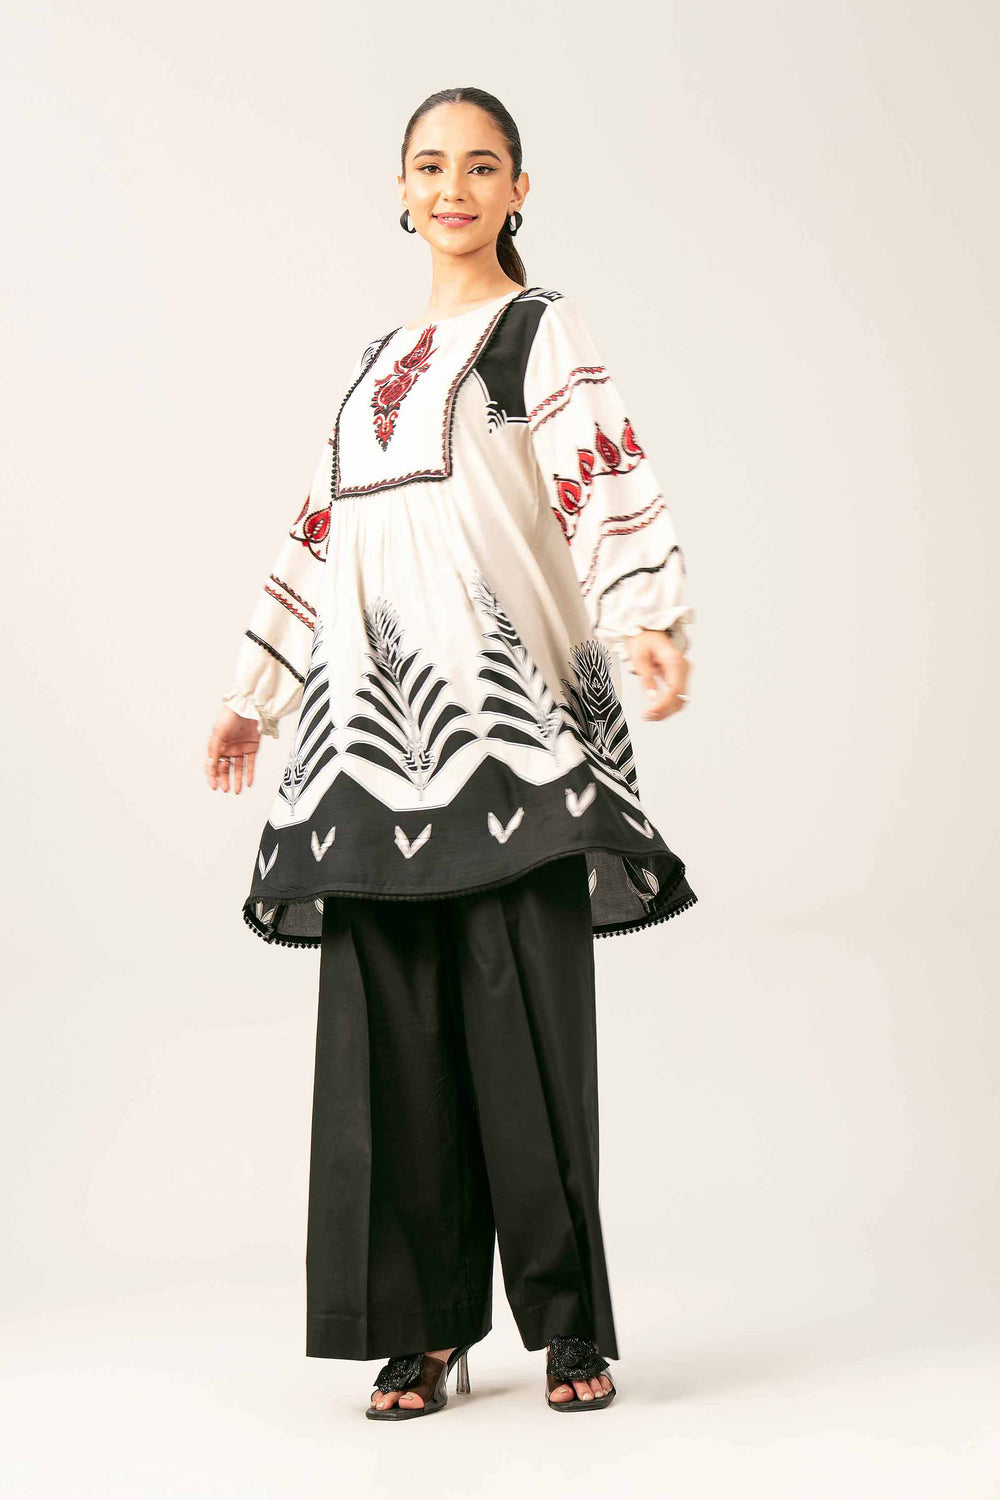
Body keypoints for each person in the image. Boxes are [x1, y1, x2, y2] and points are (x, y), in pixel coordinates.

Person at [204, 86, 698, 1419]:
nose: (454, 188)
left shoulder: (538, 331)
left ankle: (568, 1326)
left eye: (482, 167)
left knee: (525, 1031)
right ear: (403, 189)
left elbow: (601, 475)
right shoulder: (374, 366)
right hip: (366, 748)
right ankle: (418, 1329)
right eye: (431, 166)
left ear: (518, 190)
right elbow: (319, 531)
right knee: (391, 1047)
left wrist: (647, 620)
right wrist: (256, 691)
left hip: (507, 732)